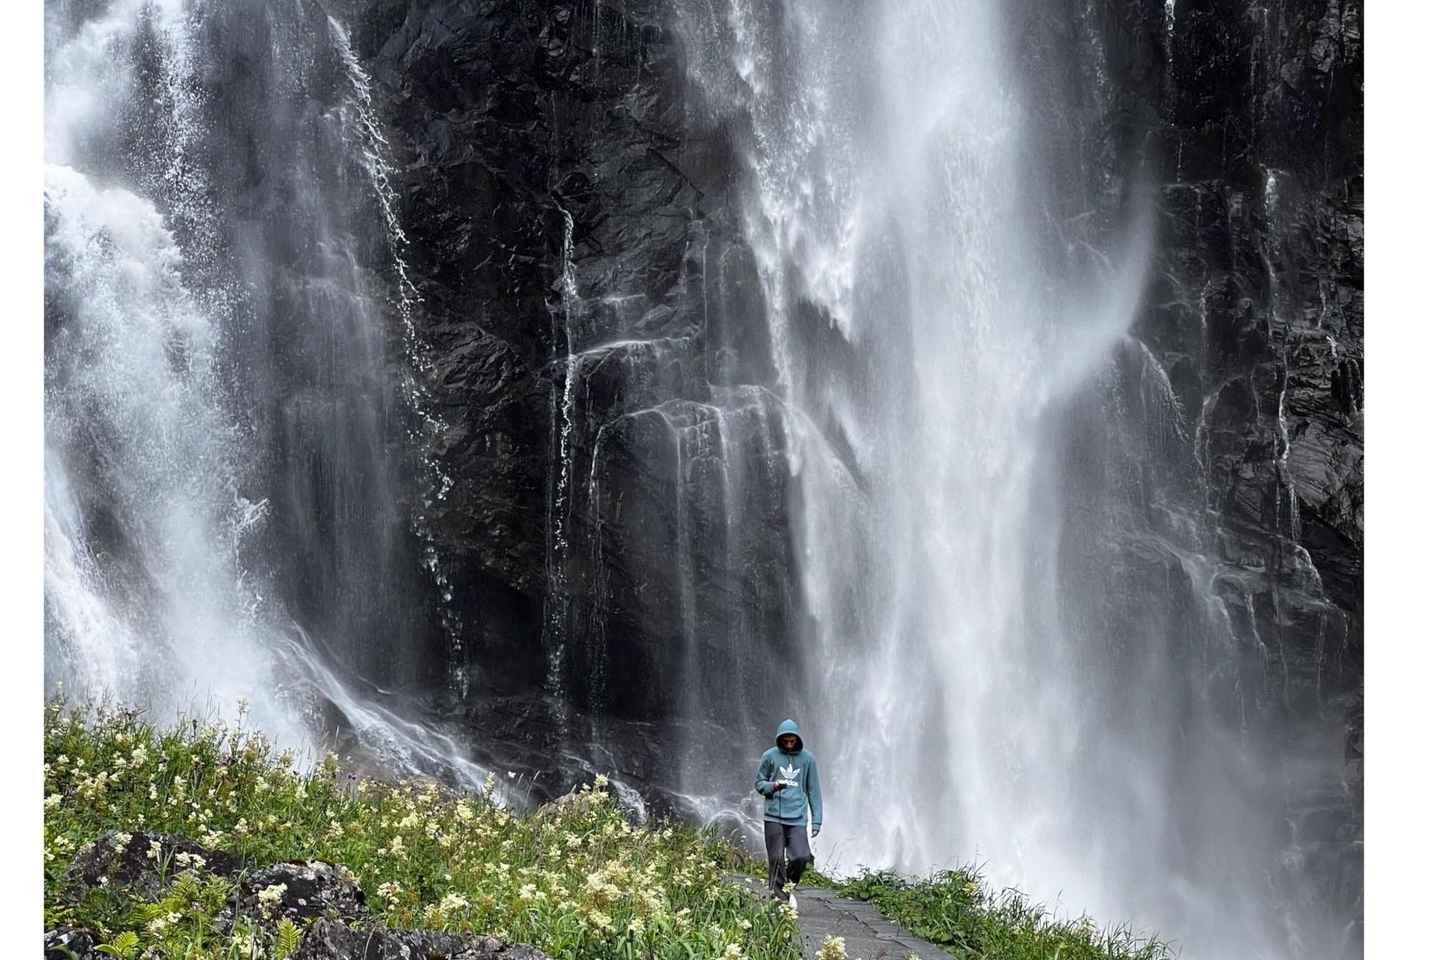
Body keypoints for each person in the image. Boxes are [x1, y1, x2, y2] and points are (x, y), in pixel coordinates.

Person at [754, 718, 823, 908]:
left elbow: (814, 791)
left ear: (798, 739)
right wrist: (773, 786)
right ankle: (780, 901)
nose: (789, 744)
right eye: (786, 741)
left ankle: (786, 887)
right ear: (780, 739)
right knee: (776, 858)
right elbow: (759, 783)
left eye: (792, 741)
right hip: (773, 816)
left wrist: (817, 820)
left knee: (801, 856)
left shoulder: (808, 760)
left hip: (797, 817)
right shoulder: (769, 756)